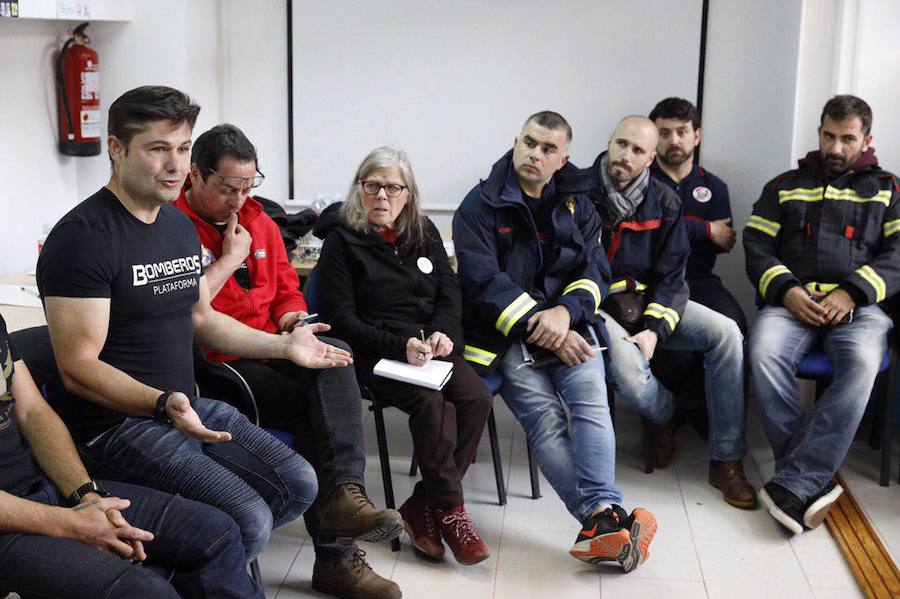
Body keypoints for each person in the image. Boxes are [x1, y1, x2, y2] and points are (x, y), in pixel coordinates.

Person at [36, 86, 353, 563]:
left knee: (299, 482)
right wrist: (161, 403)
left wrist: (284, 345)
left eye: (183, 148)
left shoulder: (175, 227)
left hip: (187, 407)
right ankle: (209, 573)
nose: (177, 165)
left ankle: (207, 567)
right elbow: (76, 367)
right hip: (119, 427)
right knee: (248, 517)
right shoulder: (82, 238)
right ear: (117, 150)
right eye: (158, 149)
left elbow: (201, 318)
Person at [175, 123, 402, 599]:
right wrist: (227, 258)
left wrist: (294, 320)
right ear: (195, 174)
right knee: (319, 416)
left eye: (248, 186)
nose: (239, 199)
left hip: (275, 347)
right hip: (219, 363)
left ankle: (344, 496)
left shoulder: (260, 220)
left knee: (336, 357)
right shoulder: (170, 226)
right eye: (227, 187)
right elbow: (191, 315)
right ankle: (337, 555)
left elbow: (284, 288)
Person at [453, 111, 656, 572]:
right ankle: (605, 519)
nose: (534, 154)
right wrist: (541, 325)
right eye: (529, 142)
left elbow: (595, 270)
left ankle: (603, 521)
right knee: (545, 420)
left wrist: (564, 314)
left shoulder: (577, 200)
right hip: (504, 337)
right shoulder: (478, 204)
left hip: (570, 324)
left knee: (591, 401)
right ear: (516, 140)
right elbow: (483, 283)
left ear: (563, 158)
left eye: (548, 149)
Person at [315, 146, 493, 567]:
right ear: (359, 190)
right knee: (432, 406)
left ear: (408, 194)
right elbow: (341, 318)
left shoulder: (424, 231)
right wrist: (399, 346)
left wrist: (444, 334)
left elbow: (450, 293)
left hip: (430, 349)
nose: (382, 196)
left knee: (477, 399)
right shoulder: (342, 242)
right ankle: (451, 511)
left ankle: (421, 504)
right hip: (378, 353)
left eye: (393, 187)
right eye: (372, 186)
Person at [0, 314, 263, 598]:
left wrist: (87, 496)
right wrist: (70, 524)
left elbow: (33, 412)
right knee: (147, 592)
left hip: (41, 489)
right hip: (10, 523)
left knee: (216, 533)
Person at [745, 95, 899, 534]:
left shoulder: (890, 188)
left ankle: (794, 480)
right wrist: (787, 291)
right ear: (819, 132)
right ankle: (805, 479)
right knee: (762, 353)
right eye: (829, 136)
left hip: (861, 309)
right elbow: (756, 246)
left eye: (847, 139)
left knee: (865, 363)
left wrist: (851, 293)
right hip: (791, 304)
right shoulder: (783, 184)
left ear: (867, 139)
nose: (835, 148)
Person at [586, 115, 755, 509]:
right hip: (595, 303)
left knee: (726, 333)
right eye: (622, 144)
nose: (626, 156)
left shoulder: (664, 199)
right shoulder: (577, 189)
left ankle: (727, 459)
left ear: (650, 159)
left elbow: (673, 276)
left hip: (647, 301)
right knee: (629, 373)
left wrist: (655, 329)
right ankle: (665, 416)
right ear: (609, 141)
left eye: (638, 151)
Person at [647, 98, 748, 440]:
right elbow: (652, 237)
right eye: (664, 133)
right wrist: (704, 229)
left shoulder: (714, 186)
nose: (674, 140)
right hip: (655, 283)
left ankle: (693, 408)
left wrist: (673, 228)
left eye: (682, 132)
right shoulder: (641, 181)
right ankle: (666, 417)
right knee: (665, 338)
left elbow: (726, 240)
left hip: (700, 279)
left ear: (697, 135)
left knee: (736, 325)